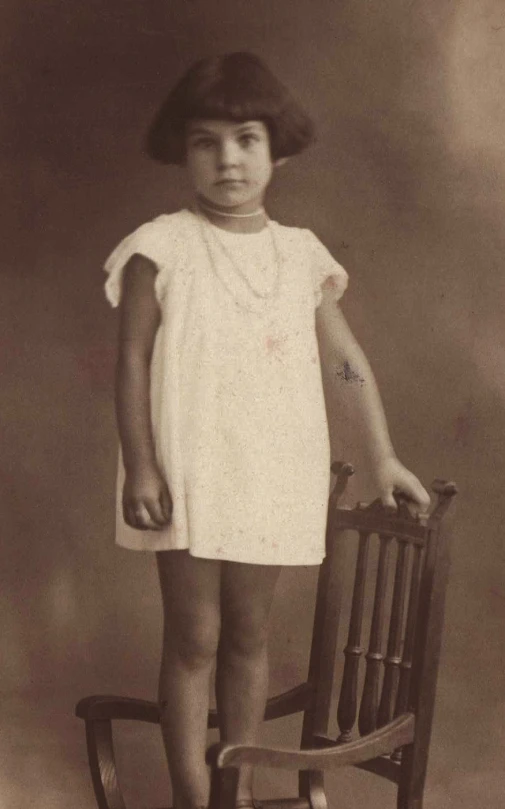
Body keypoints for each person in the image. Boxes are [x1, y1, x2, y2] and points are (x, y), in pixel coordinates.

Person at [103, 52, 430, 809]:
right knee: (194, 640)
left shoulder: (298, 254)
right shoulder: (161, 246)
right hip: (187, 468)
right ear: (182, 151)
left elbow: (344, 361)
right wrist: (142, 466)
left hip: (273, 468)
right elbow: (130, 363)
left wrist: (379, 455)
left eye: (246, 139)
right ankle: (194, 798)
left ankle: (234, 792)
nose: (227, 159)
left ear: (275, 148)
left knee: (249, 638)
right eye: (206, 142)